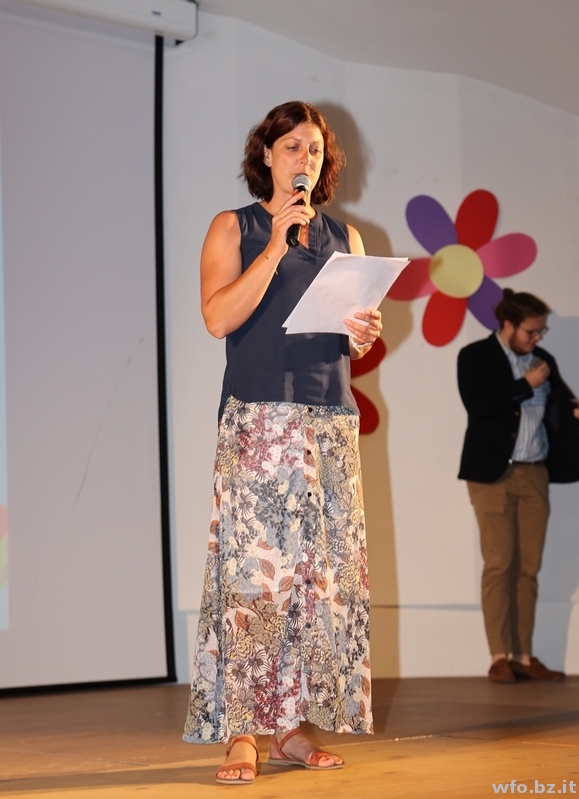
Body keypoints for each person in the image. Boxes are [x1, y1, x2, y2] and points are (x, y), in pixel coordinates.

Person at [183, 101, 380, 784]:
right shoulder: (233, 227)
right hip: (259, 422)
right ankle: (242, 731)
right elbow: (217, 318)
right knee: (253, 578)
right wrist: (273, 247)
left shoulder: (345, 237)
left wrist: (362, 333)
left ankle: (291, 728)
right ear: (265, 155)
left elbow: (349, 334)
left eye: (315, 149)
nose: (305, 159)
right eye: (292, 146)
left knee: (316, 581)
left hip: (329, 422)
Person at [457, 289, 579, 684]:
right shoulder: (475, 356)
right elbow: (478, 405)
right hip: (492, 475)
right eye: (531, 332)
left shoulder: (543, 361)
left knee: (528, 569)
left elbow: (562, 403)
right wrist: (524, 384)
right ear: (508, 325)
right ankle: (499, 658)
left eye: (541, 332)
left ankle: (524, 657)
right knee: (499, 564)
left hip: (535, 473)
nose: (537, 338)